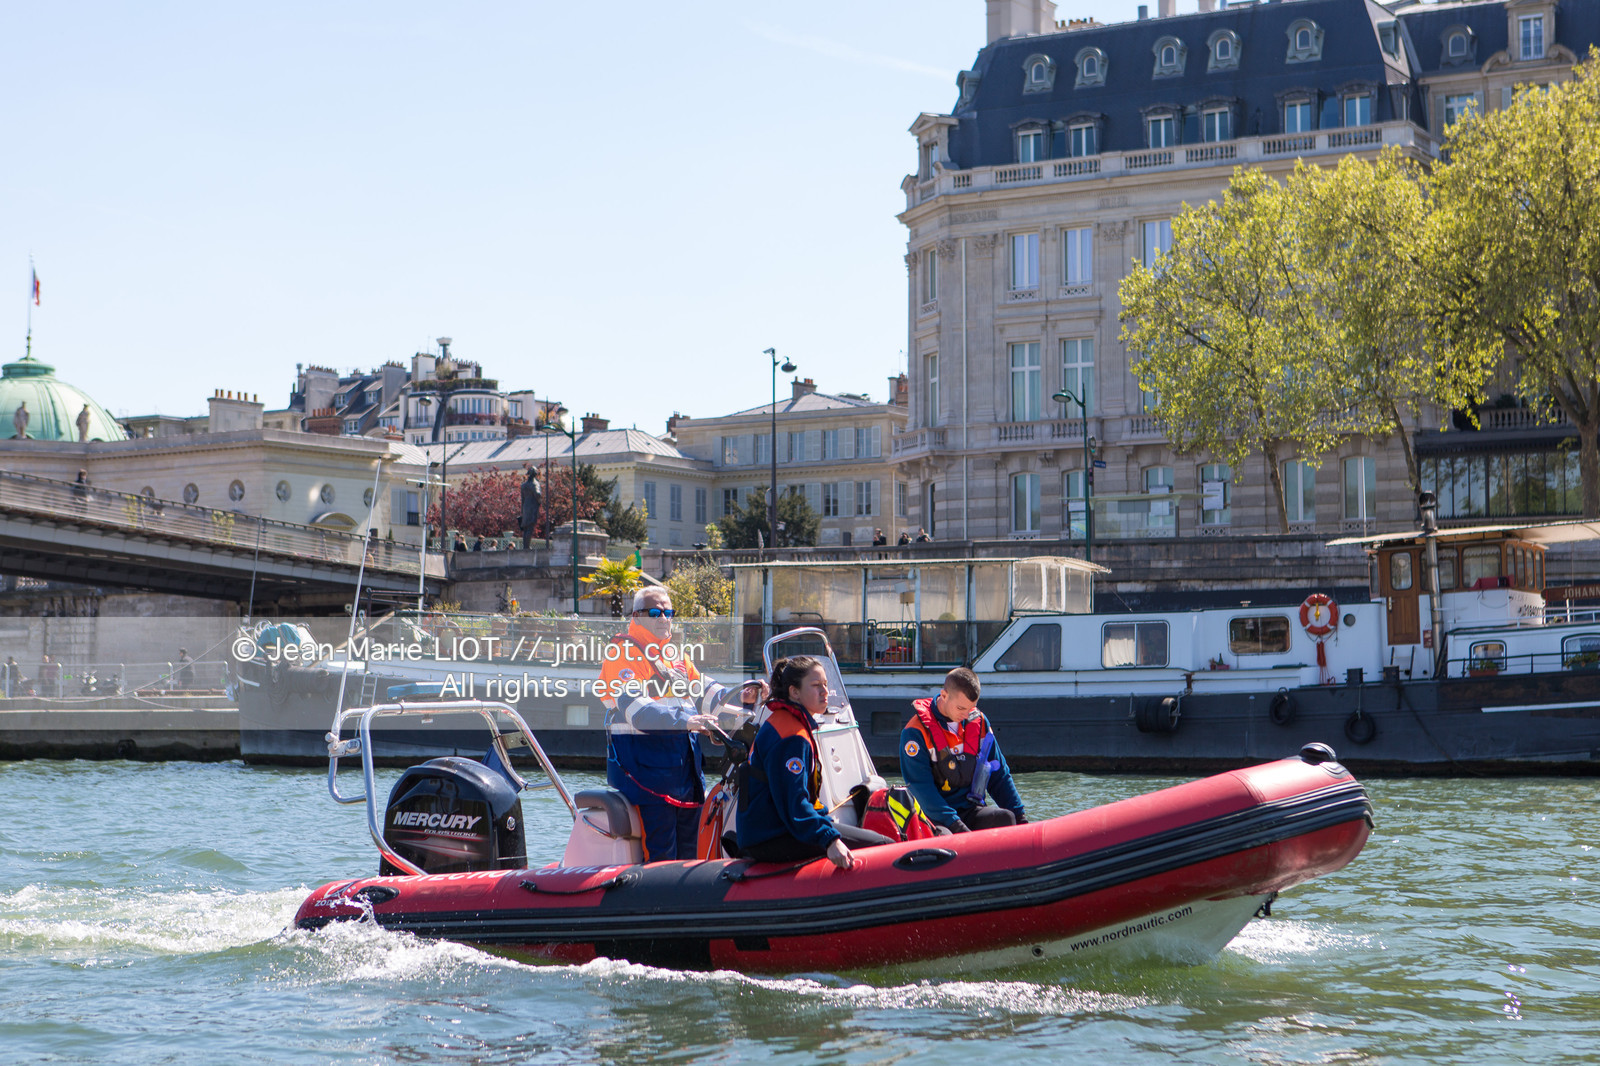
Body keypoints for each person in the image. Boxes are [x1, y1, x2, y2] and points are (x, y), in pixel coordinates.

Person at [599, 586, 764, 861]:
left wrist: (745, 697)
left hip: (682, 773)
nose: (664, 618)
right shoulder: (622, 653)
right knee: (662, 852)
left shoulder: (674, 654)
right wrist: (687, 720)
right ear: (637, 616)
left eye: (669, 612)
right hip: (645, 772)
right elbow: (636, 709)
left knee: (690, 851)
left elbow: (705, 691)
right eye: (656, 612)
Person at [737, 655, 894, 868]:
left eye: (826, 685)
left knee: (866, 837)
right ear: (795, 692)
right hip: (772, 836)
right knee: (883, 845)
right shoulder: (791, 737)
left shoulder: (786, 723)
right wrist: (829, 839)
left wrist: (825, 826)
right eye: (815, 685)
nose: (825, 691)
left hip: (772, 829)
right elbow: (794, 803)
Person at [899, 667, 1026, 833]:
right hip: (935, 819)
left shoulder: (979, 722)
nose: (966, 715)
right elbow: (922, 789)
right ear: (944, 696)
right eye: (960, 708)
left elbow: (1000, 776)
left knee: (1006, 818)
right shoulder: (915, 733)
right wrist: (956, 825)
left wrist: (1020, 817)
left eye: (970, 708)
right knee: (947, 837)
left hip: (971, 809)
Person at [519, 468, 542, 550]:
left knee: (525, 528)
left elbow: (522, 499)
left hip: (525, 507)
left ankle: (525, 546)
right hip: (532, 506)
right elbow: (538, 493)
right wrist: (539, 501)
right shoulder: (535, 484)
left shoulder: (523, 485)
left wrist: (522, 510)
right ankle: (527, 547)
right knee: (530, 527)